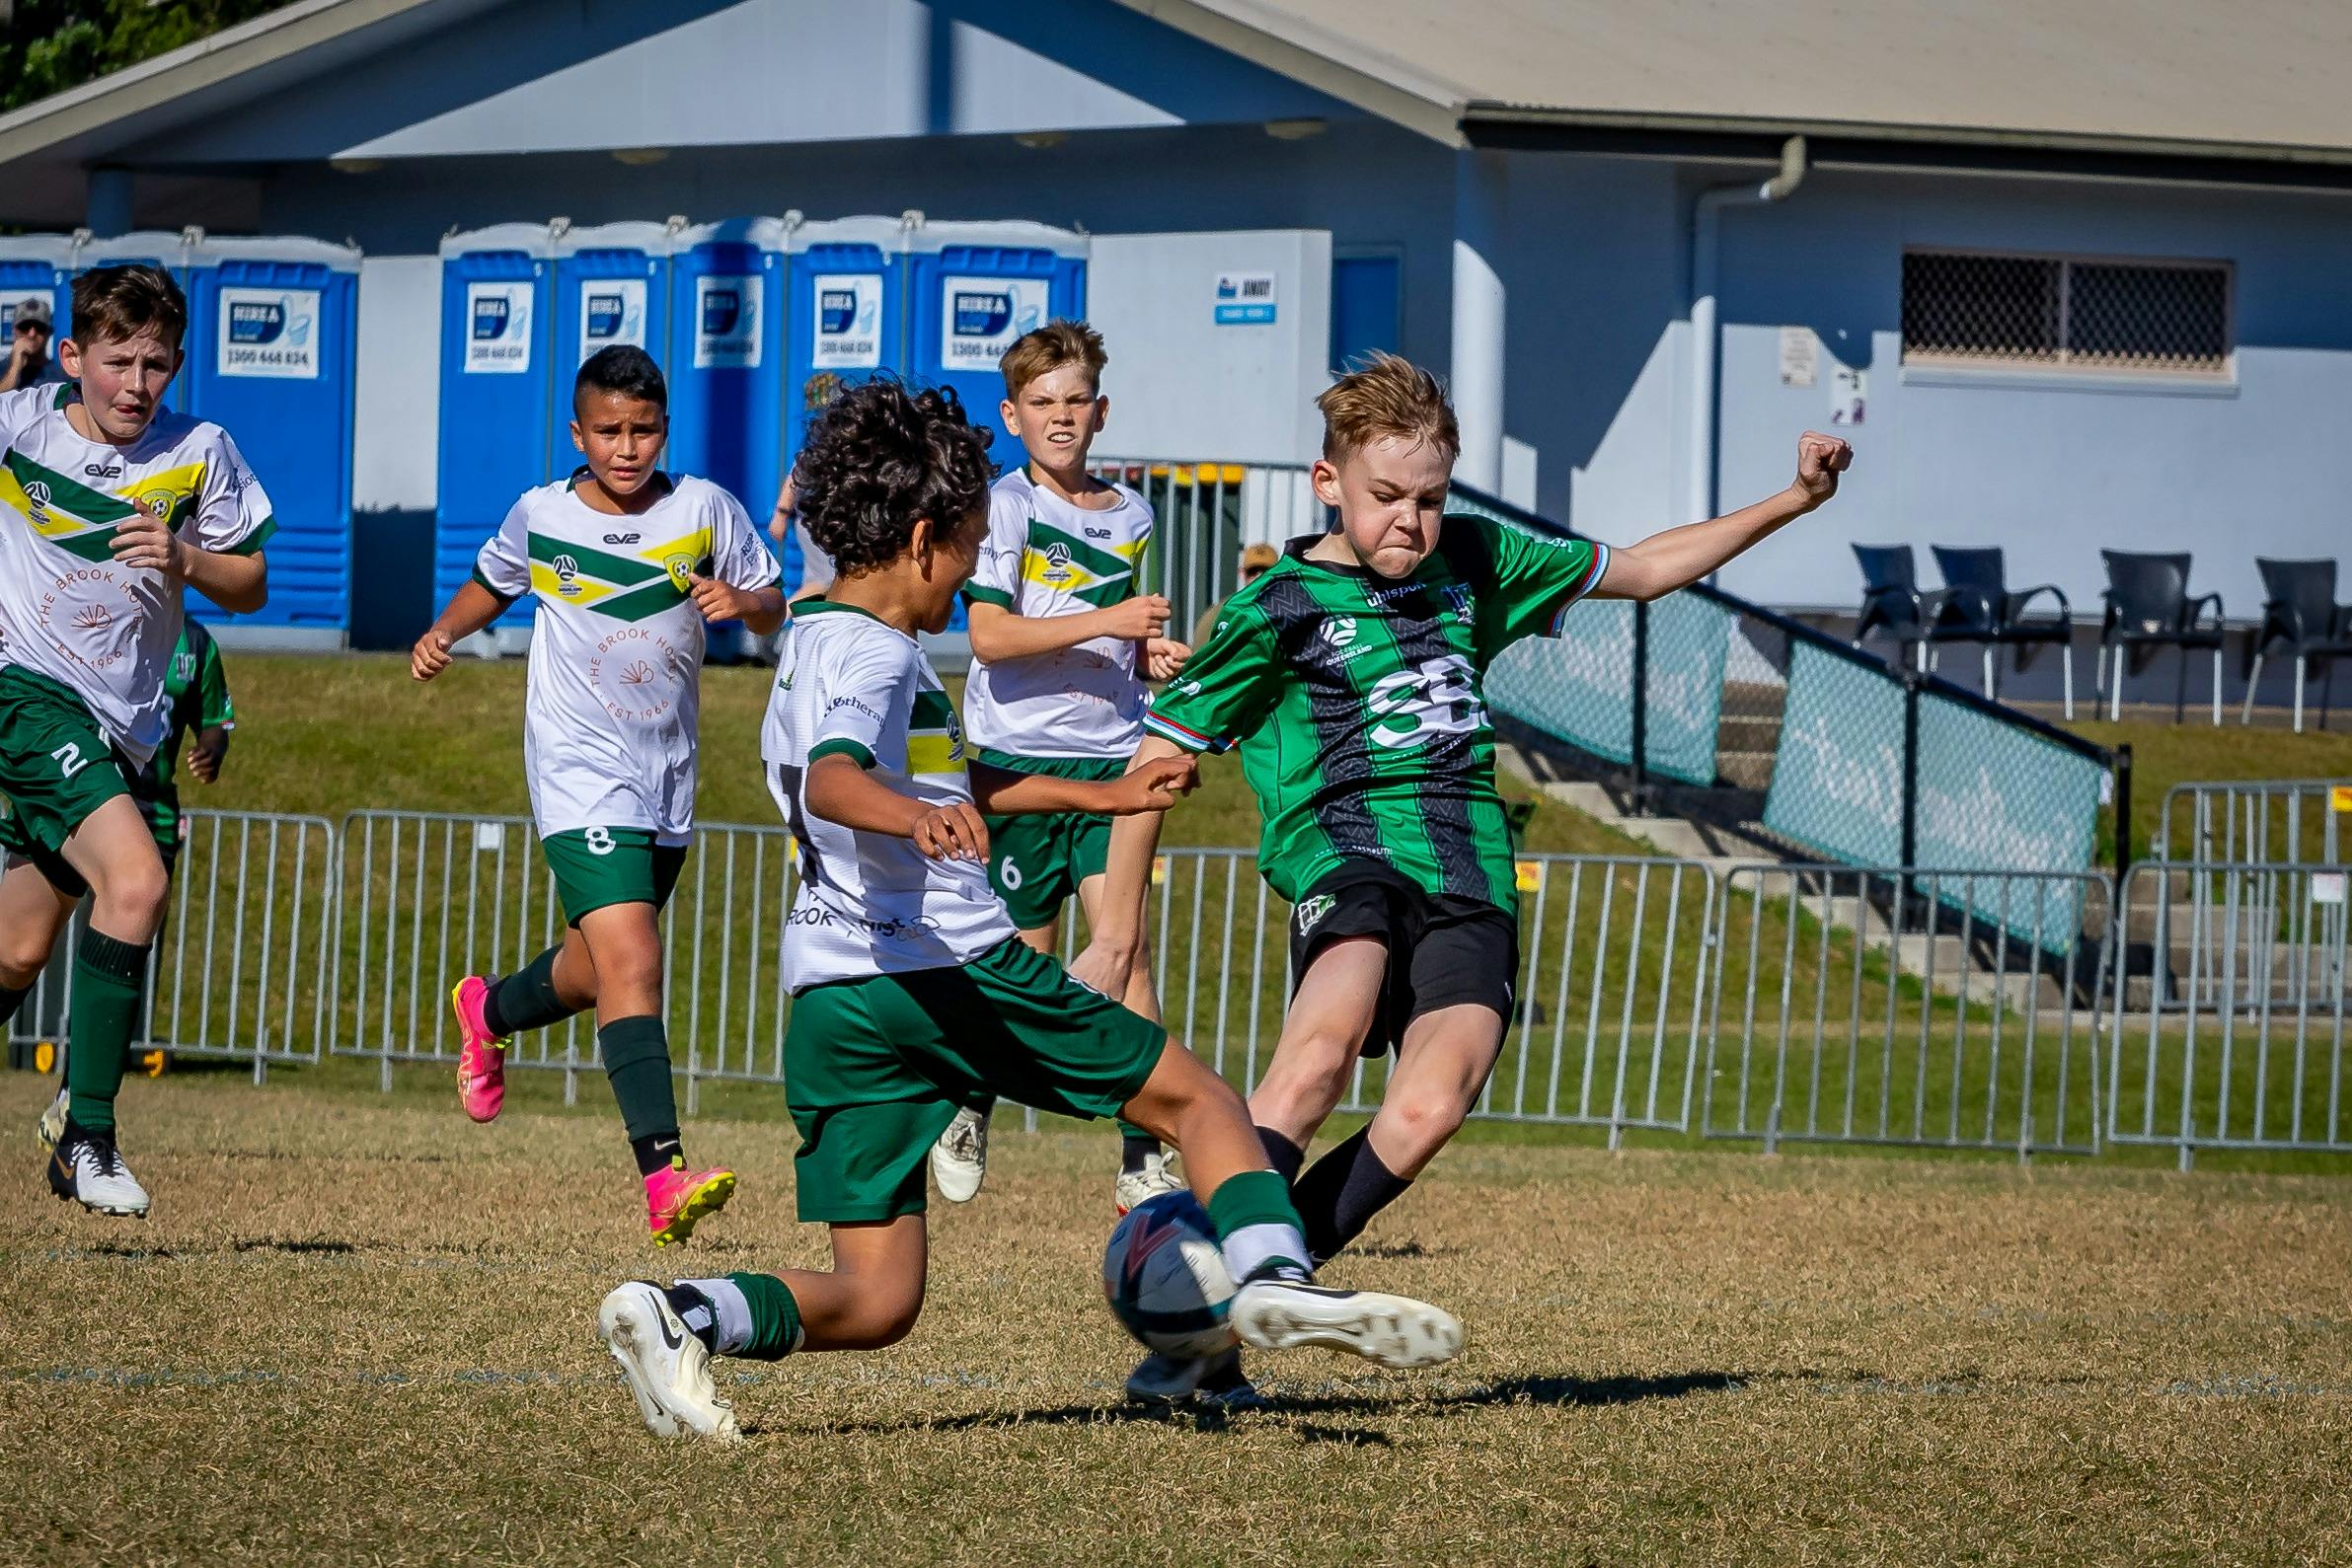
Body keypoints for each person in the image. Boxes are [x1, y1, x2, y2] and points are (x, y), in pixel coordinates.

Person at [594, 378, 1462, 1439]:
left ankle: (680, 1312)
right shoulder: (875, 654)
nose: (968, 573)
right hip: (943, 970)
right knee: (1203, 1104)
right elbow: (833, 781)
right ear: (922, 540)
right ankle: (1272, 1273)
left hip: (833, 996)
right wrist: (906, 821)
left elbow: (949, 782)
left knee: (877, 1297)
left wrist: (1105, 792)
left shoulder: (816, 634)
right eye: (967, 545)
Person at [1077, 352, 1851, 1381]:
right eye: (1386, 495)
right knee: (1323, 1044)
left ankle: (1225, 1317)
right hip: (1347, 853)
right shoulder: (1276, 606)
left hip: (1470, 873)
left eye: (1430, 497)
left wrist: (1796, 499)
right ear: (1328, 483)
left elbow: (1649, 567)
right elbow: (1158, 751)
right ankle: (1227, 1272)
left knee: (1433, 1103)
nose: (1410, 519)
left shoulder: (1475, 559)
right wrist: (1117, 931)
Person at [413, 344, 785, 1246]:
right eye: (609, 431)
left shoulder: (704, 509)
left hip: (667, 776)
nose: (627, 447)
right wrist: (443, 631)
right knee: (636, 960)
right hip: (578, 770)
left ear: (666, 429)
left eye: (644, 429)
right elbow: (490, 583)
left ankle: (489, 1009)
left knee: (596, 967)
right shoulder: (540, 513)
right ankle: (664, 1173)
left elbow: (774, 601)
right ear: (577, 432)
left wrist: (744, 600)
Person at [0, 262, 275, 1218]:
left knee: (20, 944)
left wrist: (189, 555)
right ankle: (88, 1134)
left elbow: (251, 582)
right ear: (73, 356)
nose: (135, 382)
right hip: (23, 693)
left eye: (156, 363)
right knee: (138, 880)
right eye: (116, 360)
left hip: (124, 722)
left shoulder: (201, 449)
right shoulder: (20, 425)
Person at [926, 320, 1191, 1215]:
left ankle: (1143, 1152)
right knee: (1026, 961)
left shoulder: (1132, 514)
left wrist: (1146, 654)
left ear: (1102, 409)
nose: (1062, 416)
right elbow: (993, 638)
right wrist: (1109, 625)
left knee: (1130, 955)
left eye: (1076, 399)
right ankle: (969, 1101)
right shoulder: (1003, 506)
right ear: (1012, 413)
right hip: (1016, 764)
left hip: (1115, 755)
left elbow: (1116, 632)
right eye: (1042, 402)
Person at [36, 618, 236, 1149]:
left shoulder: (195, 645)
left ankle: (76, 1100)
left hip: (152, 814)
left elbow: (215, 720)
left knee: (123, 955)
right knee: (28, 943)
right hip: (75, 794)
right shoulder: (92, 615)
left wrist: (212, 751)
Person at [1191, 542, 1279, 650]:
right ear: (1242, 573)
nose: (1259, 578)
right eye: (1252, 572)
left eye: (1266, 572)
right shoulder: (1222, 612)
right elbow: (1199, 655)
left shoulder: (1291, 613)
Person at [0, 295, 66, 393]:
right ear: (14, 331)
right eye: (25, 327)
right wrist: (14, 370)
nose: (32, 334)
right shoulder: (1, 369)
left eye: (39, 328)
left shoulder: (62, 379)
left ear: (49, 332)